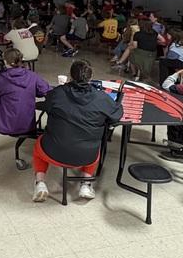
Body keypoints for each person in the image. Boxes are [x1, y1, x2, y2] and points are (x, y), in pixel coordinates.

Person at [32, 59, 122, 202]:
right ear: (91, 77)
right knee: (93, 147)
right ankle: (86, 184)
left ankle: (40, 183)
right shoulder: (102, 98)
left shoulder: (57, 93)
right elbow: (117, 115)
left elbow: (47, 106)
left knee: (38, 147)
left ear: (70, 76)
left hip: (52, 151)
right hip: (85, 156)